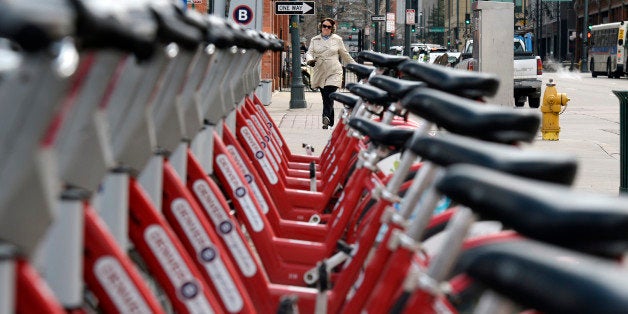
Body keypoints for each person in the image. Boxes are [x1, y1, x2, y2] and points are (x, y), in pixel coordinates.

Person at [305, 18, 355, 129]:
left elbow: (345, 55)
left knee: (329, 92)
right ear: (320, 27)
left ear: (332, 28)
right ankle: (330, 121)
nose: (326, 28)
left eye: (329, 27)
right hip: (320, 71)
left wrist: (356, 66)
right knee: (326, 96)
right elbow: (309, 53)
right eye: (324, 26)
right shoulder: (315, 40)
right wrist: (309, 60)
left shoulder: (337, 39)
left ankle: (325, 116)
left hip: (334, 71)